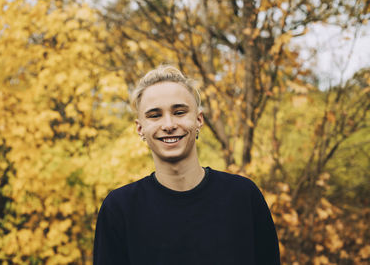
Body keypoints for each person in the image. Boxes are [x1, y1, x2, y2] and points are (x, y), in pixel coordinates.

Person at [93, 65, 280, 265]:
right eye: (155, 115)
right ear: (140, 129)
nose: (169, 125)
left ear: (199, 120)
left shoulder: (243, 196)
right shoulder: (119, 208)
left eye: (179, 112)